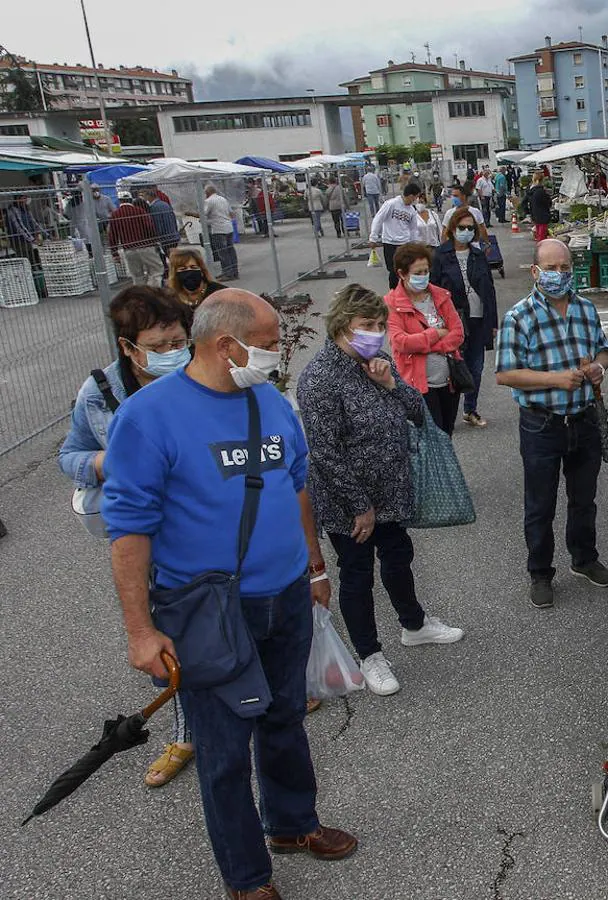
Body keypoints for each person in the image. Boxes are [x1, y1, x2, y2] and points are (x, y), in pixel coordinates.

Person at [102, 289, 358, 898]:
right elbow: (129, 529)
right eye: (269, 345)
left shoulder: (267, 400)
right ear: (226, 346)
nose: (277, 356)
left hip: (286, 596)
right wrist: (141, 631)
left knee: (286, 719)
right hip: (210, 610)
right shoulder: (149, 416)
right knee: (222, 751)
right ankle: (246, 877)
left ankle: (292, 825)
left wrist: (315, 567)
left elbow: (297, 485)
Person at [59, 285, 197, 789]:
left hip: (205, 530)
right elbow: (69, 455)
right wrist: (100, 463)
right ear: (127, 346)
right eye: (158, 346)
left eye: (178, 340)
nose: (172, 353)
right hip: (149, 543)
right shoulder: (99, 392)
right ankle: (185, 736)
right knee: (170, 637)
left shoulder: (201, 378)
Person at [298, 284, 465, 698]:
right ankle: (369, 654)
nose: (375, 332)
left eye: (378, 325)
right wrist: (360, 506)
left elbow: (415, 412)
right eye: (365, 326)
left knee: (398, 557)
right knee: (357, 575)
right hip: (349, 503)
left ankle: (414, 624)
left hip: (391, 492)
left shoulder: (377, 362)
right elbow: (325, 452)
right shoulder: (320, 379)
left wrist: (391, 382)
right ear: (341, 327)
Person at [495, 239, 608, 609]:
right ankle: (541, 572)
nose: (559, 274)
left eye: (565, 267)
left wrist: (598, 366)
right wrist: (555, 379)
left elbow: (603, 350)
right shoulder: (519, 317)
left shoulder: (585, 309)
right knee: (540, 504)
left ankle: (584, 558)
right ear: (535, 272)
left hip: (584, 420)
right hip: (541, 424)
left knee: (584, 499)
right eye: (551, 268)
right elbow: (505, 374)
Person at [383, 242, 465, 434]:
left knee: (446, 433)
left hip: (449, 380)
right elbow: (401, 342)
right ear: (402, 274)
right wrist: (436, 333)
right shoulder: (392, 303)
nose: (423, 277)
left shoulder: (440, 296)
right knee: (431, 438)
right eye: (417, 273)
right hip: (418, 384)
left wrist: (424, 345)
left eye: (426, 271)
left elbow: (458, 334)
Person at [431, 207, 498, 428]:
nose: (467, 231)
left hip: (478, 318)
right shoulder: (440, 255)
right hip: (453, 321)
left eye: (471, 228)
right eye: (462, 227)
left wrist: (493, 323)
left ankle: (471, 409)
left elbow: (489, 290)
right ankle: (448, 412)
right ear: (452, 229)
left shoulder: (478, 255)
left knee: (475, 368)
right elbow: (434, 290)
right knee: (453, 368)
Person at [369, 183, 424, 290]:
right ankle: (394, 293)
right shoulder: (391, 204)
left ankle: (405, 291)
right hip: (390, 243)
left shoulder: (411, 210)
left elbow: (413, 229)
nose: (416, 200)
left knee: (405, 269)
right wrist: (373, 237)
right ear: (411, 196)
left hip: (405, 243)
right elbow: (378, 219)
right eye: (416, 197)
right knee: (393, 271)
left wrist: (415, 245)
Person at [109, 191, 165, 287]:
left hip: (129, 249)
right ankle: (154, 292)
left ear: (119, 201)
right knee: (156, 271)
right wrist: (154, 242)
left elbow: (113, 234)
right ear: (131, 200)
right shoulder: (139, 211)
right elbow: (149, 227)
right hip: (146, 246)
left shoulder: (115, 215)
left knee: (137, 276)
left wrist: (115, 253)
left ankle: (140, 296)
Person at [204, 184, 239, 281]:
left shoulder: (209, 201)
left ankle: (227, 273)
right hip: (228, 227)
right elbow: (231, 213)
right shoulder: (223, 199)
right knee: (230, 250)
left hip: (218, 229)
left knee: (222, 252)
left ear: (207, 192)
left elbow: (203, 214)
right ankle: (234, 272)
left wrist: (189, 213)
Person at [143, 189, 181, 277]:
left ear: (149, 196)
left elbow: (157, 223)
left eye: (145, 196)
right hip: (173, 234)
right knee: (173, 256)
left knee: (168, 256)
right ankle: (176, 272)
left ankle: (174, 274)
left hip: (165, 237)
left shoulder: (154, 208)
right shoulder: (165, 204)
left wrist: (156, 237)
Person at [4, 195, 42, 269]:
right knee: (25, 261)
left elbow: (34, 222)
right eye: (23, 198)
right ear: (18, 199)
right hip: (18, 241)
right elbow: (19, 227)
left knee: (32, 260)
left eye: (26, 198)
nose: (25, 200)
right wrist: (32, 239)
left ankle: (35, 272)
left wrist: (44, 234)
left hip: (27, 240)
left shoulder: (25, 209)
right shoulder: (13, 210)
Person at [525, 178, 553, 243]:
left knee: (539, 233)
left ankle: (539, 247)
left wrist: (527, 212)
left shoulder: (531, 191)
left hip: (535, 214)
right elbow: (547, 203)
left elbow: (524, 202)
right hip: (542, 215)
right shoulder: (541, 191)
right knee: (542, 234)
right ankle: (541, 248)